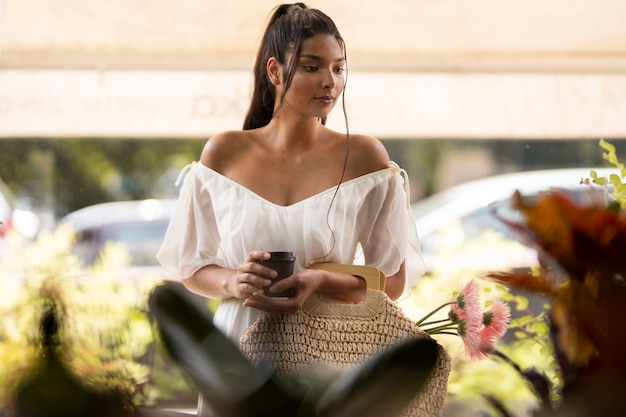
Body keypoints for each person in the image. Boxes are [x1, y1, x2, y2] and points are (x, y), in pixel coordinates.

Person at [157, 3, 426, 413]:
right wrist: (234, 282)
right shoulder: (224, 152)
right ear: (275, 71)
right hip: (236, 351)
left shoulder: (366, 157)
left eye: (339, 68)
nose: (330, 82)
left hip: (327, 350)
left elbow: (390, 283)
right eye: (312, 67)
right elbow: (192, 268)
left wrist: (320, 280)